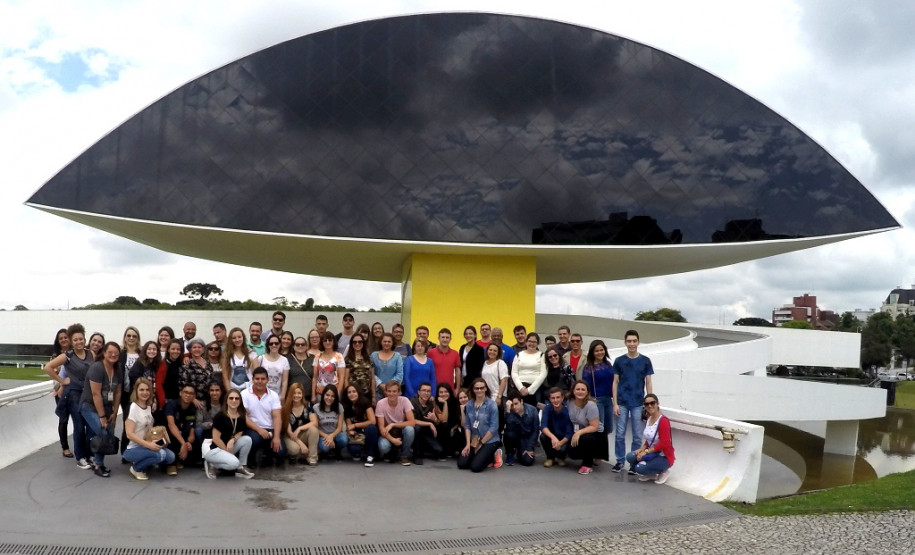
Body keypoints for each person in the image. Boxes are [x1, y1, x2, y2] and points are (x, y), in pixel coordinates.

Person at [45, 324, 92, 468]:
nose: (79, 342)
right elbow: (48, 367)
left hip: (88, 394)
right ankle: (80, 457)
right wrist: (62, 381)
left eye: (81, 339)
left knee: (89, 424)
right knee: (79, 425)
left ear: (84, 339)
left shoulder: (91, 354)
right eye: (76, 340)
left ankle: (89, 454)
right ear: (72, 342)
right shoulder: (67, 356)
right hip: (73, 395)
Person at [612, 329, 654, 474]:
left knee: (637, 435)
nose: (631, 344)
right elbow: (615, 383)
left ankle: (633, 462)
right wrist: (615, 403)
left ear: (638, 342)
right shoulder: (619, 361)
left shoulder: (645, 361)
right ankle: (619, 461)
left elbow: (648, 383)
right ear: (625, 343)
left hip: (638, 403)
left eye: (634, 341)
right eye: (629, 341)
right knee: (619, 434)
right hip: (622, 402)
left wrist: (649, 404)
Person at [79, 341, 122, 477]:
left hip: (108, 406)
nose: (113, 355)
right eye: (110, 352)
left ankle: (98, 462)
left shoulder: (118, 368)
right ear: (104, 353)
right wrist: (102, 417)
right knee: (102, 431)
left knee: (109, 432)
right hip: (90, 406)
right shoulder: (97, 367)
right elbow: (96, 394)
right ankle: (98, 464)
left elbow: (118, 392)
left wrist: (115, 412)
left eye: (116, 353)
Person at [123, 377, 176, 480]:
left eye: (147, 390)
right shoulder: (133, 407)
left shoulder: (148, 407)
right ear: (136, 391)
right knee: (159, 455)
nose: (145, 392)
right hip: (132, 448)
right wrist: (148, 445)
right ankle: (136, 468)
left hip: (147, 444)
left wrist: (157, 441)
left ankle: (146, 460)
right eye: (141, 390)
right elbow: (129, 434)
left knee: (171, 457)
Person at [203, 388, 255, 478]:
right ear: (226, 400)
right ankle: (213, 465)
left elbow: (240, 431)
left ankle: (241, 467)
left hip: (228, 446)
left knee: (247, 439)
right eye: (231, 398)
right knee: (234, 463)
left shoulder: (241, 415)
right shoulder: (220, 416)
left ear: (240, 401)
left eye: (236, 398)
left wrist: (233, 440)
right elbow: (216, 439)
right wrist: (228, 452)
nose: (234, 400)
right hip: (214, 449)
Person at [121, 341, 160, 459]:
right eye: (149, 349)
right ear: (145, 350)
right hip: (137, 399)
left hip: (149, 398)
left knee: (146, 425)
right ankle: (125, 453)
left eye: (154, 349)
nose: (151, 351)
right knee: (130, 426)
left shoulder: (155, 365)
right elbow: (134, 380)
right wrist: (139, 397)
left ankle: (145, 447)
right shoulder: (140, 363)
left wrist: (153, 399)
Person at [625, 394, 675, 484]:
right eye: (647, 404)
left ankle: (664, 471)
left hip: (663, 456)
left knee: (639, 468)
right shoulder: (649, 418)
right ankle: (651, 474)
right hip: (652, 453)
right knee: (630, 456)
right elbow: (649, 439)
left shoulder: (663, 421)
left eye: (652, 403)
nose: (650, 406)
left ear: (657, 404)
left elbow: (665, 444)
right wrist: (641, 449)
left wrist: (646, 452)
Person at [242, 367, 286, 465]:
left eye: (263, 379)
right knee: (254, 440)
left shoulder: (273, 395)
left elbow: (277, 417)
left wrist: (277, 437)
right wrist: (259, 430)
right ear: (252, 379)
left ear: (267, 380)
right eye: (257, 379)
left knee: (281, 454)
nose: (260, 381)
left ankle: (268, 453)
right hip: (252, 429)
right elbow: (244, 417)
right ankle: (250, 457)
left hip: (270, 429)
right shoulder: (244, 394)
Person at [457, 378, 502, 473]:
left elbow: (494, 427)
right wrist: (468, 444)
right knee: (462, 464)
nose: (479, 390)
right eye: (477, 388)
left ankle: (493, 455)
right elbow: (468, 426)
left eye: (482, 388)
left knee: (475, 467)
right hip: (475, 439)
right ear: (473, 390)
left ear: (486, 389)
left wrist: (481, 443)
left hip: (490, 440)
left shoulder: (492, 405)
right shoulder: (469, 404)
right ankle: (480, 455)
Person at [566, 380, 607, 475]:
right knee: (572, 453)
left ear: (587, 392)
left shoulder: (591, 405)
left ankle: (587, 464)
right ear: (573, 391)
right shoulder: (570, 402)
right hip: (579, 431)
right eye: (578, 389)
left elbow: (594, 427)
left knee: (586, 438)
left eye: (583, 389)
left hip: (596, 434)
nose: (580, 391)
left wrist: (578, 433)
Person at [578, 339, 615, 438]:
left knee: (609, 428)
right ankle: (598, 451)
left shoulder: (608, 364)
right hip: (596, 400)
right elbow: (586, 386)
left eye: (601, 350)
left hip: (608, 399)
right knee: (599, 428)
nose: (600, 353)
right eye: (596, 351)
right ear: (592, 353)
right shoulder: (588, 367)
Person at [374, 380, 416, 465]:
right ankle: (391, 451)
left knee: (410, 430)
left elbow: (412, 422)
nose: (391, 394)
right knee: (383, 447)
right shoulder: (380, 404)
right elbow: (381, 428)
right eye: (389, 391)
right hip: (387, 432)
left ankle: (404, 456)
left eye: (394, 391)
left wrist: (393, 424)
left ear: (399, 392)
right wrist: (393, 440)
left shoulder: (405, 401)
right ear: (385, 392)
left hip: (401, 430)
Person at [281, 383, 318, 465]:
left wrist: (299, 428)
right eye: (294, 393)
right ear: (290, 394)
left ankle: (312, 457)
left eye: (299, 393)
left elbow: (315, 422)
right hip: (290, 436)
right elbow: (289, 432)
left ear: (302, 394)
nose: (296, 395)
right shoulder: (285, 408)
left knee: (314, 430)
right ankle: (293, 455)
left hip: (302, 433)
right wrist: (301, 444)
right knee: (295, 449)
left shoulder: (308, 405)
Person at [164, 385, 198, 475]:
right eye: (185, 392)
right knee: (173, 435)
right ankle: (170, 464)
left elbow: (192, 431)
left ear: (194, 397)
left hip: (183, 433)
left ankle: (180, 459)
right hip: (169, 434)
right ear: (181, 393)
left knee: (194, 440)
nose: (188, 395)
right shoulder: (171, 405)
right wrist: (183, 443)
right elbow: (171, 425)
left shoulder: (192, 408)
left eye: (191, 393)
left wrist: (188, 443)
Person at [343, 385, 379, 466]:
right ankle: (362, 450)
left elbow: (373, 421)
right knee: (354, 450)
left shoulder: (365, 402)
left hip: (368, 432)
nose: (351, 394)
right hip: (358, 435)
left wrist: (355, 425)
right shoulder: (346, 406)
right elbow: (349, 426)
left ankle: (370, 456)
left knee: (371, 428)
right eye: (349, 392)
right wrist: (351, 431)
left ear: (358, 393)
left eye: (354, 391)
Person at [49, 329, 72, 458]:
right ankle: (65, 447)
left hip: (75, 389)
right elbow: (53, 372)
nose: (63, 340)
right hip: (60, 390)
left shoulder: (75, 353)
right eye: (61, 338)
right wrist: (62, 381)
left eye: (65, 337)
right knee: (63, 419)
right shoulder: (56, 356)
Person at [410, 382, 445, 464]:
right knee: (417, 427)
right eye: (424, 390)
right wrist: (429, 423)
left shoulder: (432, 403)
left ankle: (424, 449)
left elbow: (440, 421)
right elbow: (412, 420)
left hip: (427, 433)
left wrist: (434, 419)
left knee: (440, 452)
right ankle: (416, 455)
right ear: (419, 392)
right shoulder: (412, 402)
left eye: (428, 391)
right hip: (416, 431)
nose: (426, 393)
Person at [312, 384, 348, 461]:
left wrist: (331, 436)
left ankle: (337, 450)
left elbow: (339, 427)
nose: (329, 398)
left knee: (344, 439)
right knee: (324, 447)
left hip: (336, 434)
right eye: (327, 395)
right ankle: (325, 452)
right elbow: (315, 427)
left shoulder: (339, 406)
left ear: (335, 398)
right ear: (323, 395)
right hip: (322, 435)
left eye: (332, 396)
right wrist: (327, 437)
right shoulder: (316, 408)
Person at [503, 392, 539, 466]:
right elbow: (509, 427)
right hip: (516, 436)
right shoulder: (509, 411)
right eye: (512, 405)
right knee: (508, 434)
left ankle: (520, 452)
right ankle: (510, 453)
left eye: (516, 404)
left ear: (521, 401)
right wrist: (508, 410)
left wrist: (529, 447)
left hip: (527, 439)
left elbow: (535, 431)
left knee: (527, 462)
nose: (514, 407)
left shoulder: (532, 410)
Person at [511, 332, 547, 406]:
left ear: (537, 343)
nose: (532, 344)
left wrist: (530, 390)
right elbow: (514, 373)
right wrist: (521, 388)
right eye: (530, 341)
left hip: (535, 390)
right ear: (526, 342)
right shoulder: (519, 355)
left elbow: (543, 374)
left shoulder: (541, 355)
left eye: (534, 342)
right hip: (519, 389)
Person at [540, 387, 572, 467]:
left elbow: (569, 432)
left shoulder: (568, 411)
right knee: (543, 437)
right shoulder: (547, 408)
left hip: (564, 438)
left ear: (562, 398)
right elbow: (543, 426)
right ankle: (550, 458)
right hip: (552, 436)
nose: (555, 400)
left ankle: (561, 457)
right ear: (550, 399)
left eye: (558, 397)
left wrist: (560, 443)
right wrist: (553, 437)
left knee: (563, 449)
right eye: (553, 398)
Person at [180, 337, 214, 406]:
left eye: (199, 347)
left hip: (208, 400)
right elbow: (183, 384)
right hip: (193, 402)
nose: (197, 349)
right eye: (194, 347)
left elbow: (212, 380)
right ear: (190, 350)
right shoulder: (187, 364)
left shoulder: (208, 363)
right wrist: (193, 399)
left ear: (203, 349)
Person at [313, 331, 346, 402]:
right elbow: (315, 377)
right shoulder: (317, 356)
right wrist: (313, 394)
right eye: (325, 340)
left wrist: (338, 393)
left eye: (330, 340)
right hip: (320, 392)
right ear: (322, 342)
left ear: (333, 341)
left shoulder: (339, 356)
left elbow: (342, 377)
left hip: (334, 392)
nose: (327, 342)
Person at [156, 339, 185, 417]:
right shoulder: (163, 364)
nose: (176, 351)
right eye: (173, 349)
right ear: (168, 349)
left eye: (178, 349)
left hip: (179, 400)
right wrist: (162, 401)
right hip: (167, 400)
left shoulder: (181, 364)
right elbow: (158, 384)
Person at [371, 333, 403, 400]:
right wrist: (380, 385)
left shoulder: (397, 356)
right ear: (381, 342)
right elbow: (371, 373)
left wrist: (389, 387)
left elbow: (400, 374)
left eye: (389, 341)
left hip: (393, 392)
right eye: (384, 341)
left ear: (392, 343)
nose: (387, 343)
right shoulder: (373, 355)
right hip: (377, 391)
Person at [433, 382, 461, 457]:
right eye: (441, 392)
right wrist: (445, 403)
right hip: (443, 429)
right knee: (444, 425)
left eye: (446, 392)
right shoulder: (436, 403)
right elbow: (443, 420)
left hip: (454, 429)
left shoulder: (455, 402)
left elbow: (459, 420)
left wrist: (454, 428)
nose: (443, 394)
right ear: (438, 393)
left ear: (450, 392)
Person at [258, 335, 290, 400]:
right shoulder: (261, 359)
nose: (274, 345)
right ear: (268, 345)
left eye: (276, 343)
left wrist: (283, 397)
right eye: (271, 344)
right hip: (262, 396)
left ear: (280, 344)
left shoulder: (284, 360)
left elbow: (284, 381)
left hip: (277, 396)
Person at [344, 334, 375, 402]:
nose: (357, 344)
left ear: (363, 343)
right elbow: (345, 379)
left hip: (367, 394)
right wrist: (347, 394)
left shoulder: (369, 359)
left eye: (360, 342)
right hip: (353, 395)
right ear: (351, 344)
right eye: (354, 342)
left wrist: (374, 396)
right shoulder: (348, 360)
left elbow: (372, 379)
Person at [196, 381, 225, 449]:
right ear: (208, 392)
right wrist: (210, 424)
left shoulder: (225, 405)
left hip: (221, 431)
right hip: (206, 430)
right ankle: (202, 451)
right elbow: (198, 423)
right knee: (197, 430)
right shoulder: (202, 405)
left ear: (221, 392)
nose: (214, 393)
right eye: (212, 390)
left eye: (217, 390)